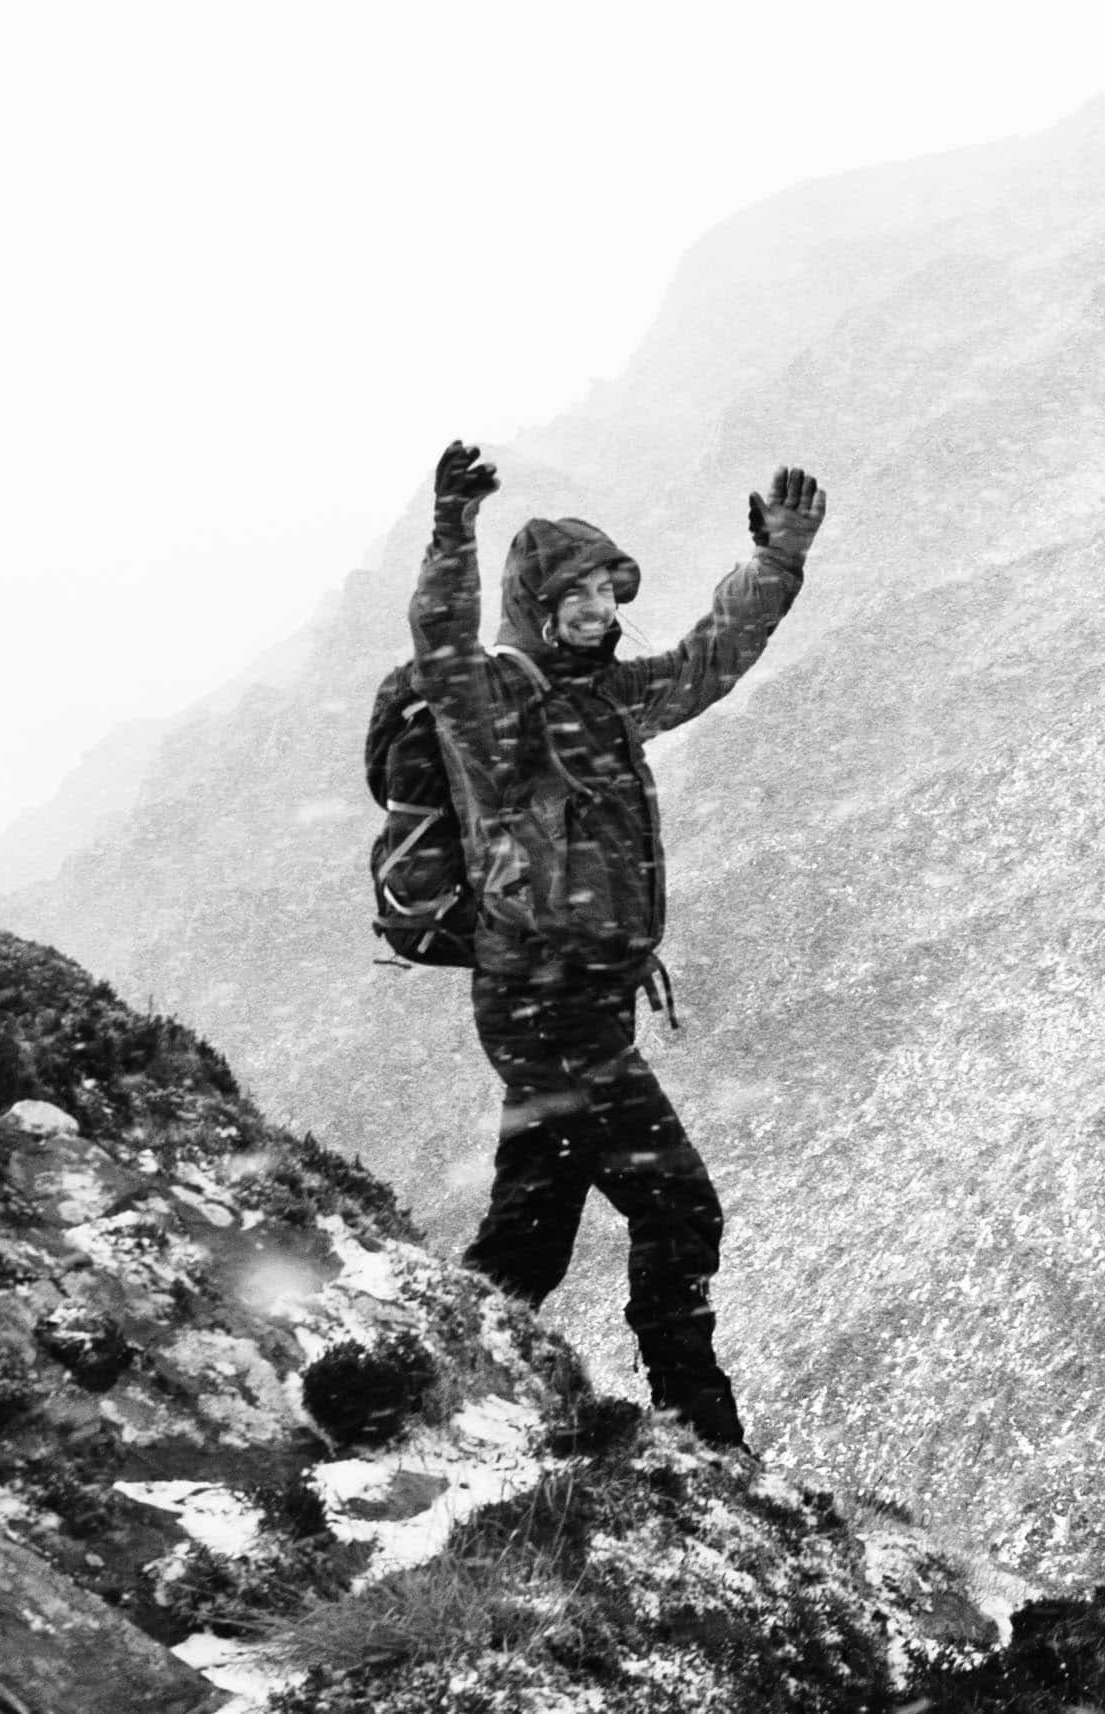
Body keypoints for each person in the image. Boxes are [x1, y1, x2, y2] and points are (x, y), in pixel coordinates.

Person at [408, 439, 825, 1449]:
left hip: (577, 1003)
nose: (601, 611)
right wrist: (452, 530)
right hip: (543, 1004)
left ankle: (425, 1380)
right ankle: (702, 1433)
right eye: (579, 597)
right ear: (539, 609)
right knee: (678, 1206)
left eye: (607, 592)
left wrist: (778, 561)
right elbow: (437, 637)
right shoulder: (494, 708)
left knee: (532, 1235)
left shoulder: (608, 698)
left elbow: (706, 661)